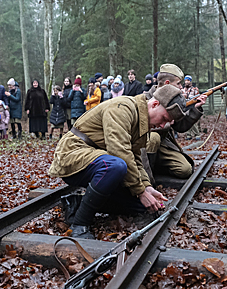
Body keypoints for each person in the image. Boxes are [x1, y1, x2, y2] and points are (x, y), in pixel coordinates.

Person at [49, 85, 189, 239]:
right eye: (164, 119)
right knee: (116, 166)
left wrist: (146, 187)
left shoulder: (141, 118)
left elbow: (135, 156)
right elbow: (119, 152)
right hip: (73, 155)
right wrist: (140, 191)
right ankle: (80, 224)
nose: (163, 126)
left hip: (99, 160)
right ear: (155, 104)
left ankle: (77, 203)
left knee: (141, 207)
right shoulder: (122, 108)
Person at [144, 64, 207, 180]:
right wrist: (165, 125)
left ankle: (155, 166)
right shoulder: (145, 98)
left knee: (185, 170)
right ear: (167, 83)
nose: (181, 87)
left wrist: (196, 108)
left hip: (164, 143)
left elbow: (181, 127)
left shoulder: (175, 100)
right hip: (143, 145)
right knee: (153, 138)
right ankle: (147, 176)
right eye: (178, 83)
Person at [182, 75, 201, 141]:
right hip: (185, 106)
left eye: (188, 80)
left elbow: (198, 98)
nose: (186, 82)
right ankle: (188, 134)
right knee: (186, 120)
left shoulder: (195, 89)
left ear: (190, 81)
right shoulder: (182, 89)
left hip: (193, 106)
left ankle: (197, 134)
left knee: (192, 120)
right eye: (185, 80)